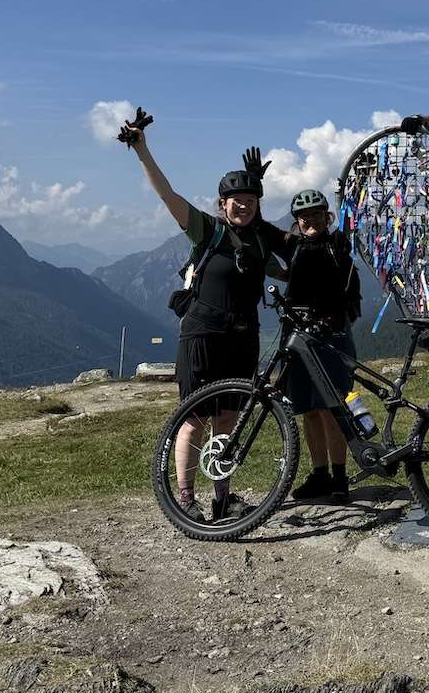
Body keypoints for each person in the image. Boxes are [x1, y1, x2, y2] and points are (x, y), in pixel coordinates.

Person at [119, 109, 288, 523]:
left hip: (242, 336)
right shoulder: (206, 231)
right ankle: (186, 497)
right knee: (194, 420)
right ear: (222, 204)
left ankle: (222, 498)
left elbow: (291, 265)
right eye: (237, 201)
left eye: (250, 202)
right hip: (202, 334)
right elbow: (167, 194)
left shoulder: (260, 244)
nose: (243, 207)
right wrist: (142, 149)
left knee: (228, 419)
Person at [278, 188, 363, 505]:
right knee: (309, 411)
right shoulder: (295, 247)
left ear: (328, 216)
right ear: (297, 222)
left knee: (333, 409)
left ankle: (340, 478)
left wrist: (357, 185)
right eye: (304, 216)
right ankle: (320, 475)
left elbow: (356, 219)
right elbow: (258, 230)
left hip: (332, 338)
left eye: (317, 214)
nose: (310, 220)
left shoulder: (338, 243)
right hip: (299, 341)